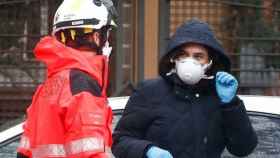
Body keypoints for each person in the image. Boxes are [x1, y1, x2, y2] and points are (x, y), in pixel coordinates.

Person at [112, 19, 258, 158]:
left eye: (198, 56)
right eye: (183, 55)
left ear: (210, 62)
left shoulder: (219, 98)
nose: (190, 61)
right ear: (173, 58)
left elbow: (243, 148)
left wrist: (231, 104)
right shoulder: (150, 92)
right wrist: (147, 151)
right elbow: (120, 141)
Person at [16, 0, 117, 157]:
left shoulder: (48, 87)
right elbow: (91, 153)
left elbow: (24, 152)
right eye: (106, 34)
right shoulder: (83, 86)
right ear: (97, 37)